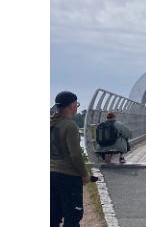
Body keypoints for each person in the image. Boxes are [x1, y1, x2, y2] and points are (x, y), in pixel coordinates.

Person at [51, 91, 91, 227]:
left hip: (51, 174)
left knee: (53, 216)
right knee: (72, 216)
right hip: (68, 176)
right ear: (71, 105)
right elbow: (75, 154)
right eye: (76, 104)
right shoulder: (70, 126)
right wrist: (84, 174)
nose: (77, 106)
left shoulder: (52, 123)